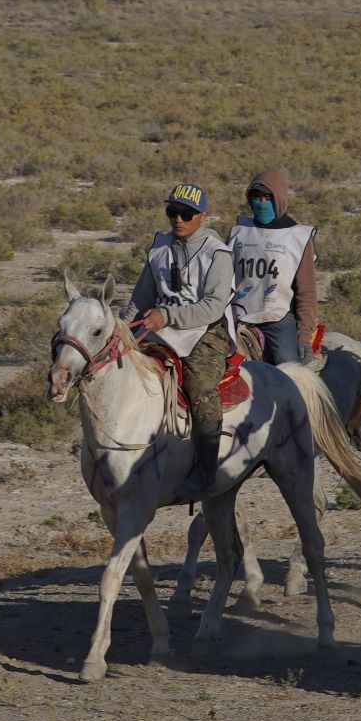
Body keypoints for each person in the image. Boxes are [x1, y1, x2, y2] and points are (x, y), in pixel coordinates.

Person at [119, 182, 235, 500]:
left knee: (201, 390)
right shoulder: (159, 247)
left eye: (187, 213)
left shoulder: (217, 253)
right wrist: (122, 332)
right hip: (159, 327)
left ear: (204, 216)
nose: (178, 219)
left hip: (205, 332)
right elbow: (140, 298)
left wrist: (167, 316)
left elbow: (213, 306)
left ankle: (207, 474)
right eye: (173, 211)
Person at [229, 168, 320, 365]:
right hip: (236, 317)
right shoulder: (239, 232)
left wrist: (304, 336)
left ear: (279, 199)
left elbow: (307, 292)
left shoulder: (298, 238)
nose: (262, 203)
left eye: (268, 198)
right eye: (257, 197)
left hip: (276, 319)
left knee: (289, 367)